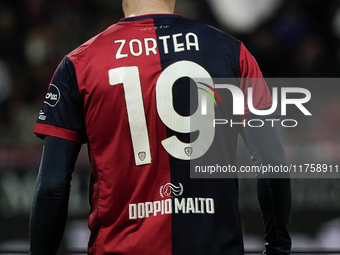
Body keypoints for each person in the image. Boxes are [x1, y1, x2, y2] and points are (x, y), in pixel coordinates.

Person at [30, 0, 292, 254]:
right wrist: (277, 247)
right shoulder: (234, 53)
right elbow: (272, 162)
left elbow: (53, 186)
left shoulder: (79, 64)